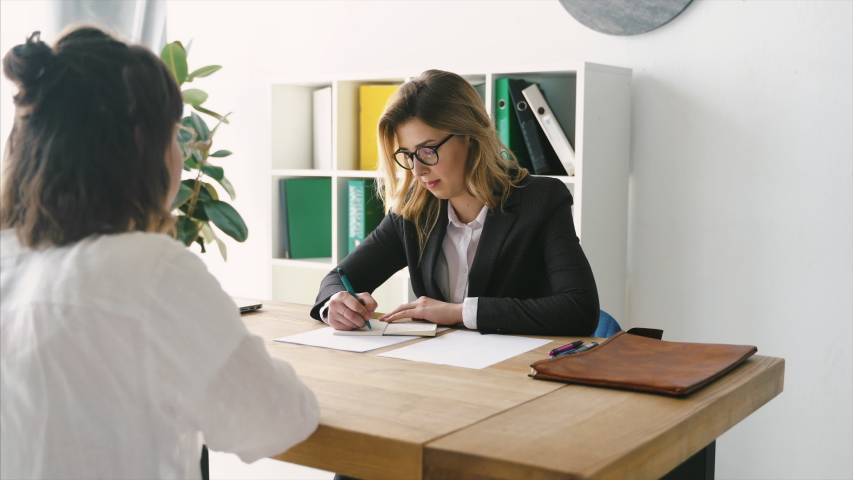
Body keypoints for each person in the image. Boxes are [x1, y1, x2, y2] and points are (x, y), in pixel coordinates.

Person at [0, 28, 319, 479]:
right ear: (137, 144)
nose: (181, 156)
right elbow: (275, 420)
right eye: (172, 134)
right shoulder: (148, 270)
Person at [311, 70, 599, 336]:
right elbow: (339, 278)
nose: (417, 170)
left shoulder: (541, 200)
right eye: (407, 155)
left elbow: (579, 309)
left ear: (470, 137)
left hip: (516, 373)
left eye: (427, 151)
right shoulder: (413, 211)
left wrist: (460, 313)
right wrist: (335, 303)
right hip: (442, 373)